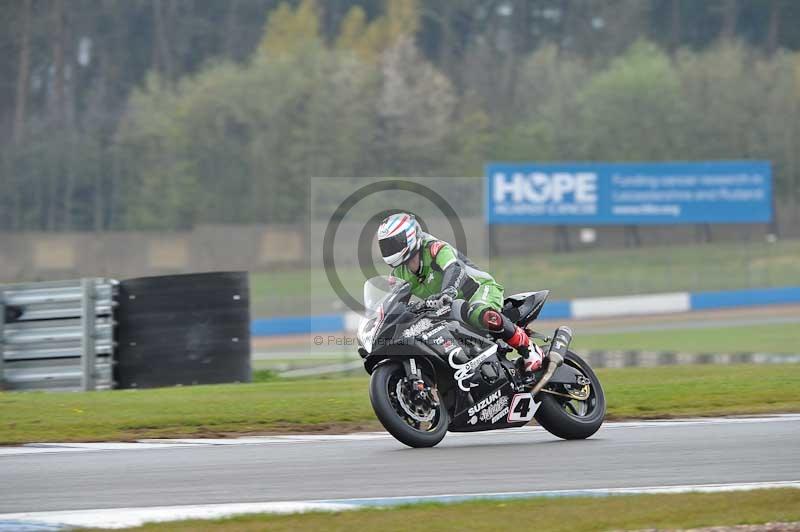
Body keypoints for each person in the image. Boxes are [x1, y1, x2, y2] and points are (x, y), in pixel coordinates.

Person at [376, 212, 543, 374]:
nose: (389, 250)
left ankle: (529, 349)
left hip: (479, 290)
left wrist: (448, 290)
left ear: (410, 236)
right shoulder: (398, 275)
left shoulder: (435, 248)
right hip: (447, 307)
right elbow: (398, 306)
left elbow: (453, 269)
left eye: (393, 244)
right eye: (385, 246)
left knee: (477, 312)